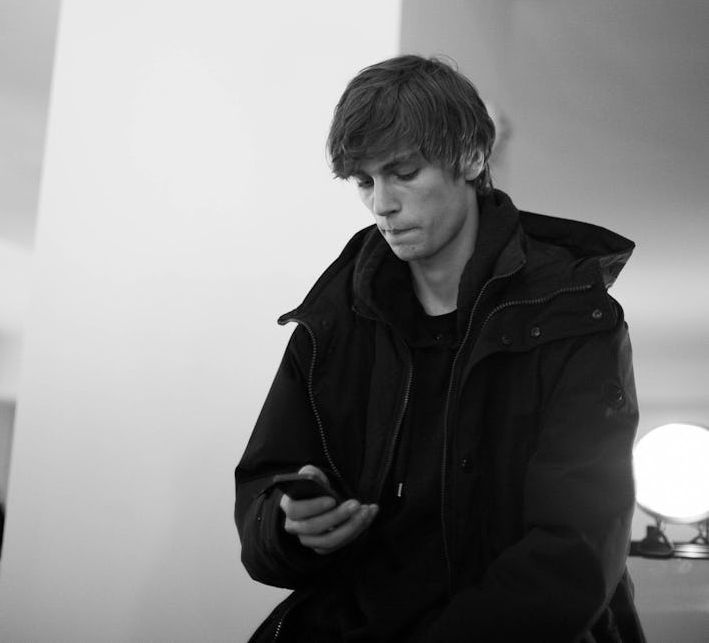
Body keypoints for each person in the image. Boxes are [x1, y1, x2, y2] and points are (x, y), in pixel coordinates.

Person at [235, 55, 645, 642]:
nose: (382, 204)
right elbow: (261, 497)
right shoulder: (330, 326)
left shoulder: (574, 318)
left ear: (473, 159)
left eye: (403, 173)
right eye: (364, 182)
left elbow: (577, 550)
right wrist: (287, 524)